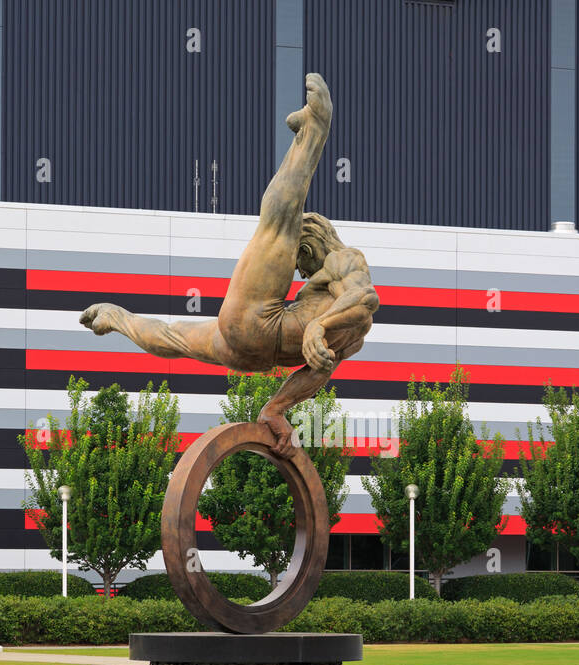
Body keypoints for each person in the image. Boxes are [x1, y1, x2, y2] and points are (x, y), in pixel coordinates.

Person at [80, 73, 378, 456]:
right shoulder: (348, 335)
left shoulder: (344, 260)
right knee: (176, 337)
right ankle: (117, 317)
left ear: (309, 246)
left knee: (278, 223)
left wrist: (277, 405)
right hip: (253, 353)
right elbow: (317, 370)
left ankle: (315, 128)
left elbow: (365, 297)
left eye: (299, 264)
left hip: (252, 330)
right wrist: (279, 404)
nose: (300, 274)